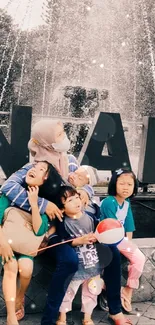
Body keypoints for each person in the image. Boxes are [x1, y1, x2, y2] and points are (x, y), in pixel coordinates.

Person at [1, 119, 132, 325]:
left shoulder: (69, 159)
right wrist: (44, 204)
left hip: (82, 226)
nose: (65, 138)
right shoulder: (34, 167)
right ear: (46, 142)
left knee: (112, 253)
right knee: (69, 261)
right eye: (59, 135)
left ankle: (115, 310)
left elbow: (84, 180)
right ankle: (50, 318)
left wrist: (84, 191)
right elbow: (8, 187)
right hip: (57, 232)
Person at [0, 161, 62, 325]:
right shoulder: (10, 195)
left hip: (25, 246)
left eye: (41, 170)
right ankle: (11, 315)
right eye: (34, 167)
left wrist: (35, 204)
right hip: (6, 242)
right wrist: (3, 244)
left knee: (26, 269)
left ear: (46, 181)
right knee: (11, 266)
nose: (33, 169)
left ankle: (20, 297)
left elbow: (39, 231)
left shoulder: (42, 202)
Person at [54, 185, 102, 325]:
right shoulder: (63, 222)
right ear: (62, 208)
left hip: (93, 263)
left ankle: (87, 316)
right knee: (68, 291)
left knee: (92, 292)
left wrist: (97, 237)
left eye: (77, 198)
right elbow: (63, 240)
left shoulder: (91, 218)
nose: (76, 202)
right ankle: (62, 316)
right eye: (70, 200)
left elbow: (100, 234)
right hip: (76, 267)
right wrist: (77, 241)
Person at [100, 168, 145, 312]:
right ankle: (109, 291)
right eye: (122, 184)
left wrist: (128, 245)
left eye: (130, 184)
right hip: (106, 239)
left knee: (139, 258)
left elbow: (129, 226)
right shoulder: (108, 202)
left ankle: (128, 290)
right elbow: (112, 227)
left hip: (119, 239)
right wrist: (123, 245)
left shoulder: (126, 203)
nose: (126, 188)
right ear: (114, 184)